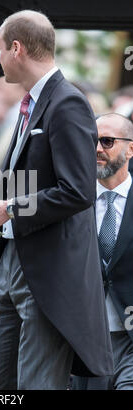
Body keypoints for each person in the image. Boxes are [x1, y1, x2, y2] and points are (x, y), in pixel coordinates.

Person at [0, 9, 114, 389]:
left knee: (36, 385)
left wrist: (9, 209)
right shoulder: (31, 103)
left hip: (46, 274)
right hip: (9, 263)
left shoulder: (68, 103)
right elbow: (25, 183)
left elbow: (77, 190)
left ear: (16, 49)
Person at [72, 113, 133, 390]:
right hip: (85, 339)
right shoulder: (73, 201)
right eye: (93, 141)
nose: (98, 148)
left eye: (107, 141)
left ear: (130, 148)